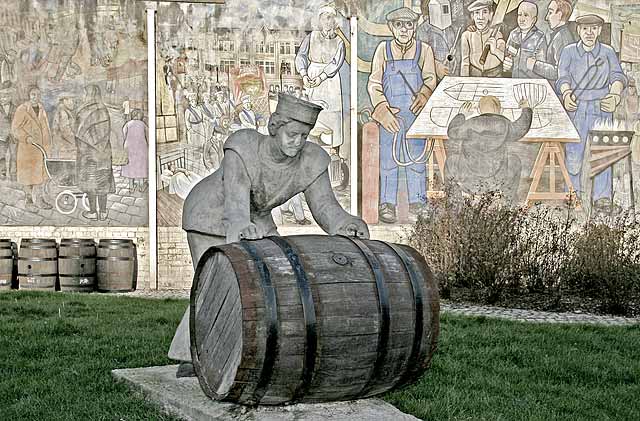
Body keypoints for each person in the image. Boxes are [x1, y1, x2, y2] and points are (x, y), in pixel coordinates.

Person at [170, 93, 369, 376]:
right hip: (210, 215)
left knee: (268, 287)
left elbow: (326, 208)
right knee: (217, 285)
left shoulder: (311, 160)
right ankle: (190, 356)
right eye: (291, 134)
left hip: (257, 219)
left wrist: (345, 223)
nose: (297, 142)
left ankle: (252, 352)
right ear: (274, 126)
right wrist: (240, 224)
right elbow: (236, 197)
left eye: (303, 135)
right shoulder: (244, 146)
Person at [367, 7, 437, 224]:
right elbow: (374, 83)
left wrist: (425, 95)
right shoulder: (383, 50)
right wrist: (382, 110)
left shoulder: (423, 50)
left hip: (415, 116)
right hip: (391, 117)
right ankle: (387, 203)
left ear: (415, 26)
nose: (404, 29)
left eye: (408, 24)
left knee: (417, 158)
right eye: (399, 25)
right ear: (391, 27)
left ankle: (418, 202)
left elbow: (430, 79)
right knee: (388, 160)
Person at [557, 14, 627, 211]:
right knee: (573, 152)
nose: (589, 33)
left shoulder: (607, 52)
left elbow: (617, 76)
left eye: (594, 28)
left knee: (604, 152)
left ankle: (602, 198)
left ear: (599, 31)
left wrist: (614, 95)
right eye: (585, 29)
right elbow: (562, 77)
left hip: (602, 107)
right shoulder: (568, 52)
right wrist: (566, 94)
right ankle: (572, 192)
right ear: (578, 30)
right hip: (577, 107)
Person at [447, 96, 533, 201]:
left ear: (478, 110)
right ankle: (508, 202)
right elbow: (522, 127)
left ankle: (454, 202)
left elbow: (451, 132)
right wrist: (526, 108)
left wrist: (462, 114)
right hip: (496, 183)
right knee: (514, 161)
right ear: (500, 111)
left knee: (451, 161)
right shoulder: (505, 124)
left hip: (469, 182)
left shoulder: (469, 123)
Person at [295, 2, 347, 162]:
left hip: (329, 82)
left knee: (333, 114)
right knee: (312, 113)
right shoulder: (311, 37)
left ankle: (334, 152)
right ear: (320, 20)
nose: (329, 21)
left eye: (332, 18)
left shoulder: (339, 42)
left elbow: (336, 63)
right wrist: (304, 75)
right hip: (311, 78)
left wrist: (321, 77)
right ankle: (310, 151)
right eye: (326, 18)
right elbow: (301, 56)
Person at [75, 84, 115, 221]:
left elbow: (79, 132)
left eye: (85, 93)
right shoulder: (103, 109)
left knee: (91, 183)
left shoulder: (85, 111)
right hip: (103, 153)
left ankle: (92, 212)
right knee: (102, 181)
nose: (83, 96)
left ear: (90, 94)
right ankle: (103, 213)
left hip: (89, 154)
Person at [12, 86, 52, 210]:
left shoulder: (41, 109)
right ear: (28, 95)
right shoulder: (22, 109)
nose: (36, 97)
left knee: (40, 176)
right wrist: (26, 137)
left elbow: (45, 127)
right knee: (28, 177)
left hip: (41, 149)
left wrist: (48, 143)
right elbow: (15, 129)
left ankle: (39, 200)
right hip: (27, 150)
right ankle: (29, 201)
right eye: (33, 94)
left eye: (38, 94)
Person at [527, 0, 575, 84]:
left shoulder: (561, 37)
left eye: (550, 12)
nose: (546, 17)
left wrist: (535, 65)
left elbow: (560, 72)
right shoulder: (560, 34)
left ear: (559, 15)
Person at [460, 0, 505, 77]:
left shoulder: (497, 35)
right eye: (477, 12)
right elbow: (465, 63)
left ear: (490, 15)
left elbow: (505, 59)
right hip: (474, 74)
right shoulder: (466, 35)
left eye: (484, 12)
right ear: (472, 16)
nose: (480, 17)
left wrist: (495, 50)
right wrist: (464, 80)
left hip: (495, 75)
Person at [504, 1, 546, 79]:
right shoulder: (513, 34)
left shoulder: (540, 37)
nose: (521, 19)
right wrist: (507, 65)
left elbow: (541, 66)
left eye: (526, 15)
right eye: (520, 14)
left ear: (534, 20)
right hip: (514, 79)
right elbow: (507, 57)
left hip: (531, 82)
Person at [417, 0, 459, 78]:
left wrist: (453, 60)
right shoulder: (423, 30)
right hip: (433, 78)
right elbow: (421, 56)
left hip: (450, 76)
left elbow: (455, 52)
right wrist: (437, 66)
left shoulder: (451, 29)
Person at [121, 109, 149, 192]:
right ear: (139, 115)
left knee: (130, 167)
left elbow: (123, 134)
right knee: (140, 165)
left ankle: (131, 186)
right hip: (141, 147)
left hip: (129, 147)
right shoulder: (143, 124)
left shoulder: (127, 124)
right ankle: (141, 185)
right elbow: (148, 134)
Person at [51, 94, 77, 159]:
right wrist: (76, 143)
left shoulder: (61, 111)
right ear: (65, 101)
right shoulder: (63, 113)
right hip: (65, 149)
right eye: (72, 100)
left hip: (63, 148)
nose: (74, 103)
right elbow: (66, 132)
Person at [0, 81, 17, 180]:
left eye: (6, 96)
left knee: (14, 155)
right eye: (1, 96)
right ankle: (2, 174)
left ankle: (13, 174)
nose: (3, 99)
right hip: (1, 136)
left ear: (10, 97)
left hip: (13, 136)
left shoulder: (15, 108)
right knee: (1, 155)